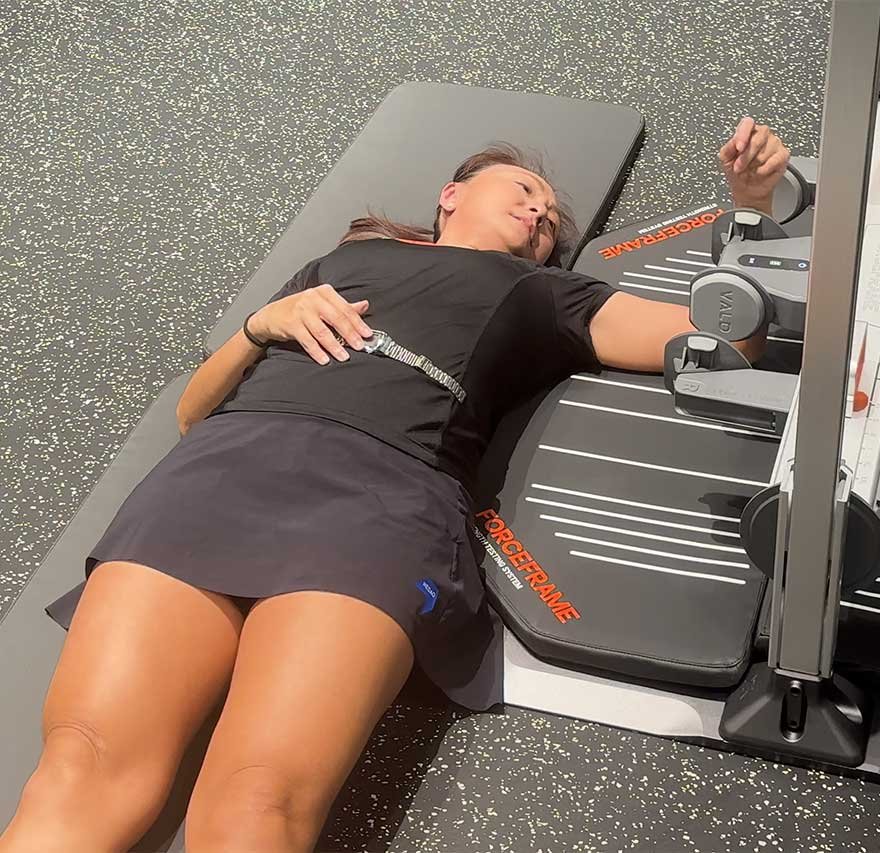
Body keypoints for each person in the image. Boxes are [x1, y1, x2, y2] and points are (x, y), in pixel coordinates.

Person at [0, 117, 792, 853]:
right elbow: (190, 412)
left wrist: (753, 210)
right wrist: (258, 326)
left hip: (377, 502)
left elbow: (721, 338)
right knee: (82, 761)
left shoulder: (544, 291)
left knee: (256, 799)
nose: (540, 211)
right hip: (221, 470)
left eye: (551, 218)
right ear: (450, 195)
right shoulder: (337, 265)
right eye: (524, 189)